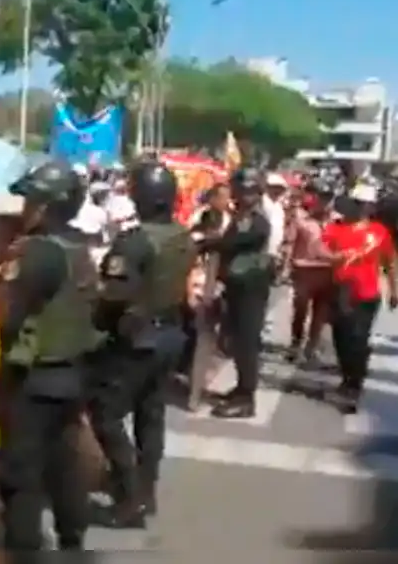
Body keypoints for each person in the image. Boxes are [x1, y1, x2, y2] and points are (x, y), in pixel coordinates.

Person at [0, 161, 103, 550]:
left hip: (35, 380)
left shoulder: (39, 251)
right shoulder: (78, 246)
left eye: (31, 201)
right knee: (64, 467)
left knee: (21, 478)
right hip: (72, 374)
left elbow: (8, 314)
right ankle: (72, 539)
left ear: (45, 205)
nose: (25, 208)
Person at [89, 162, 194, 527]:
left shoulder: (134, 241)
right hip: (171, 333)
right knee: (151, 415)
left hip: (137, 337)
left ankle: (130, 492)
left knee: (106, 414)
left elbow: (114, 293)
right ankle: (146, 492)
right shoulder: (182, 236)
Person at [201, 168, 273, 419]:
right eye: (241, 190)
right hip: (237, 286)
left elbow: (234, 242)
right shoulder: (241, 215)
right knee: (236, 341)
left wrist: (208, 243)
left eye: (248, 191)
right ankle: (241, 389)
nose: (243, 195)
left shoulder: (257, 219)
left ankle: (246, 399)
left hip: (250, 287)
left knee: (247, 343)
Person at [322, 185, 397, 413]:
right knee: (341, 338)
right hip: (339, 291)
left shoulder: (379, 232)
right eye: (358, 203)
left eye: (366, 204)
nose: (362, 208)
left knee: (358, 338)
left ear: (371, 207)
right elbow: (321, 253)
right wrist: (335, 258)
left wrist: (394, 290)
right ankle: (348, 378)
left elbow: (389, 262)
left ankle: (354, 385)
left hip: (366, 293)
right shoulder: (335, 228)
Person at [284, 180, 336, 364]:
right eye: (322, 198)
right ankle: (296, 341)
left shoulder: (338, 221)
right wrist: (286, 267)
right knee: (300, 308)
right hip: (304, 269)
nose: (325, 202)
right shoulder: (301, 220)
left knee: (321, 312)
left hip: (327, 270)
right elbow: (290, 243)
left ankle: (312, 347)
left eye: (328, 198)